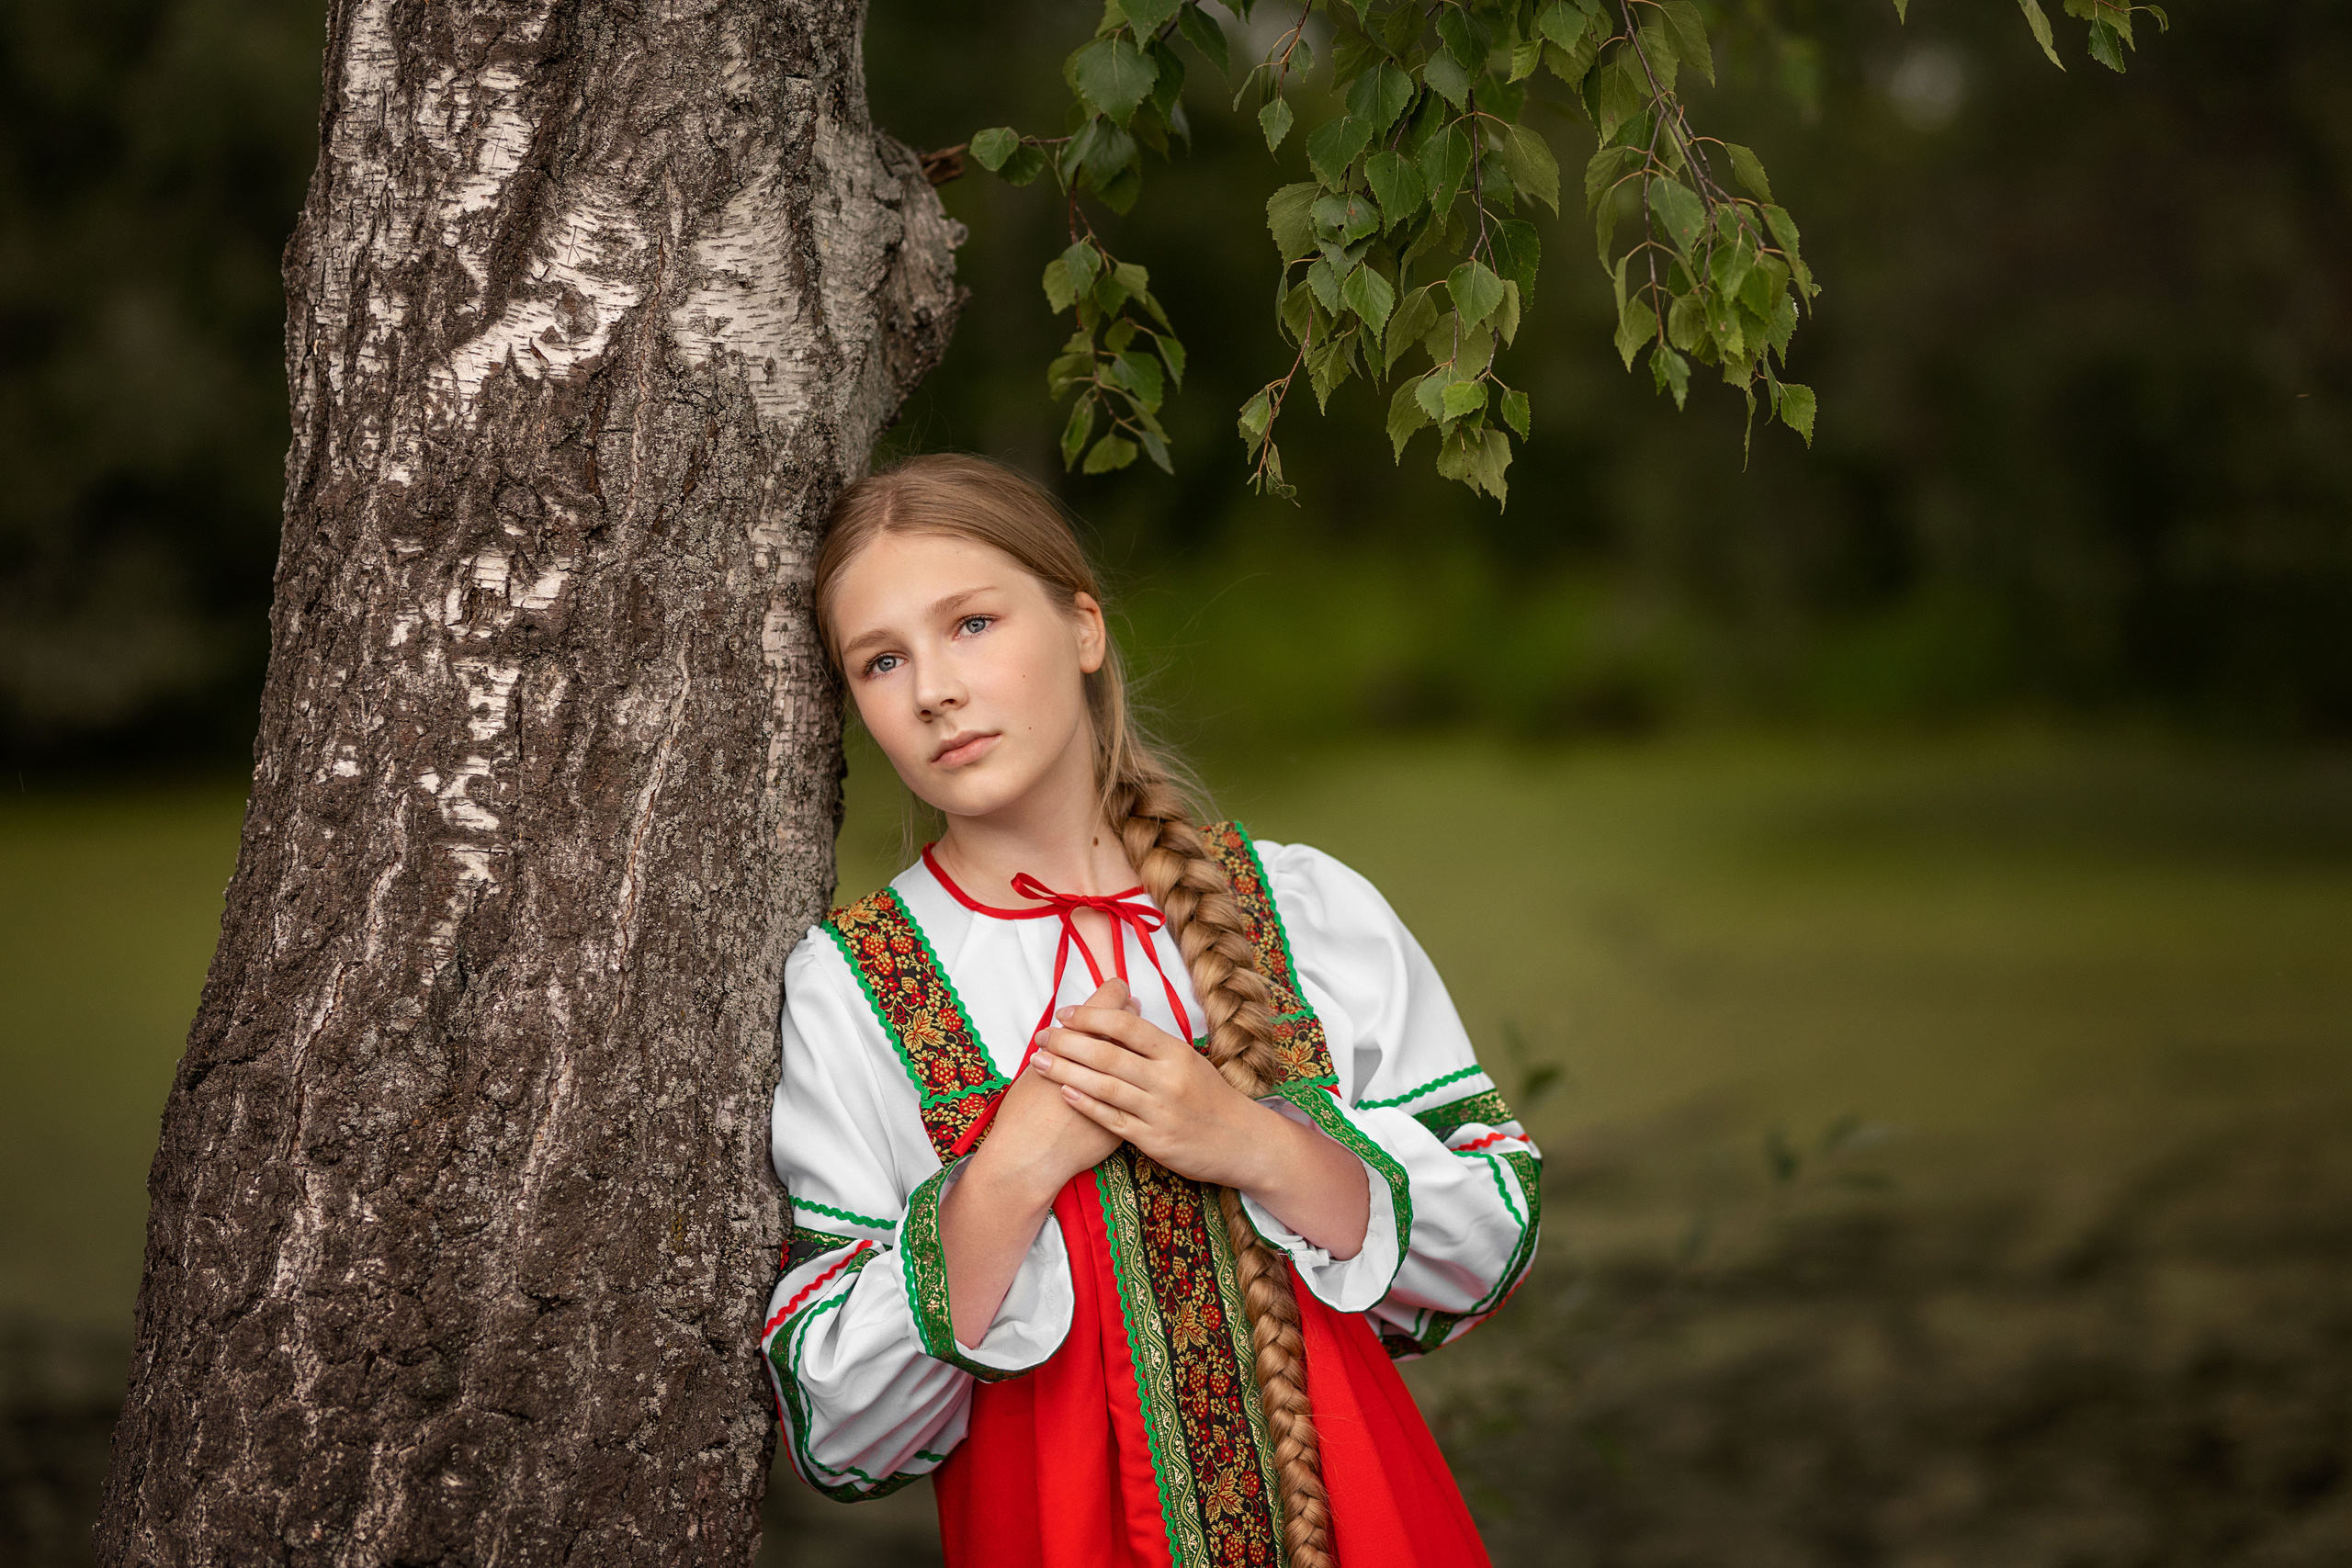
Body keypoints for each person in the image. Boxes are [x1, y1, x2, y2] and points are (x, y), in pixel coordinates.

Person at [760, 454, 1543, 1568]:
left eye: (972, 624)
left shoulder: (1298, 909)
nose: (933, 686)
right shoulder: (857, 985)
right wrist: (1010, 1175)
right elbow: (841, 1433)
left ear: (1083, 627)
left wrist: (1250, 1144)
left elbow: (1491, 1235)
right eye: (881, 660)